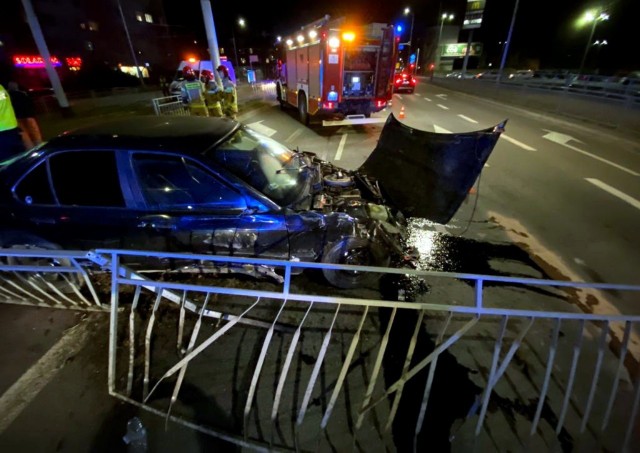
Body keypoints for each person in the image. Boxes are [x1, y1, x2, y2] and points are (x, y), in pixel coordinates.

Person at [7, 81, 42, 150]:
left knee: (24, 134)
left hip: (18, 117)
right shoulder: (23, 94)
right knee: (34, 133)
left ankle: (30, 149)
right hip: (28, 116)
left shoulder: (9, 96)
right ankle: (39, 146)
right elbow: (30, 104)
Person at [0, 82, 25, 161]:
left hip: (2, 131)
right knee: (17, 158)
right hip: (10, 128)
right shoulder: (0, 87)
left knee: (7, 162)